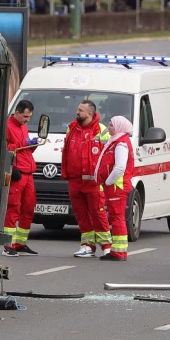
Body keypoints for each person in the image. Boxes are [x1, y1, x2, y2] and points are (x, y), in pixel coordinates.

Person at [62, 100, 110, 258]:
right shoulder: (71, 127)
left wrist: (104, 177)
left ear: (90, 113)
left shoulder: (101, 130)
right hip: (75, 180)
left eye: (80, 110)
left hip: (93, 182)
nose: (77, 112)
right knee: (81, 214)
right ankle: (87, 245)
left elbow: (108, 155)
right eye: (77, 109)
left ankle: (106, 246)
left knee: (98, 213)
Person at [2, 100, 42, 256]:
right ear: (17, 113)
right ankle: (7, 244)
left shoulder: (23, 127)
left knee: (28, 208)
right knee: (13, 208)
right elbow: (5, 148)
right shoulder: (7, 126)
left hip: (28, 171)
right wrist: (24, 142)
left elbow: (24, 151)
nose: (27, 120)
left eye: (29, 117)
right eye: (25, 116)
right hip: (18, 172)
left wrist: (33, 144)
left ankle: (20, 243)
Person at [95, 115, 135, 261]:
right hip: (115, 186)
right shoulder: (116, 141)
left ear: (119, 126)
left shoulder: (121, 144)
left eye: (111, 125)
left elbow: (120, 167)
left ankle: (118, 252)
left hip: (116, 186)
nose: (109, 127)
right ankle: (119, 251)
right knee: (116, 217)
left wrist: (108, 181)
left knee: (117, 218)